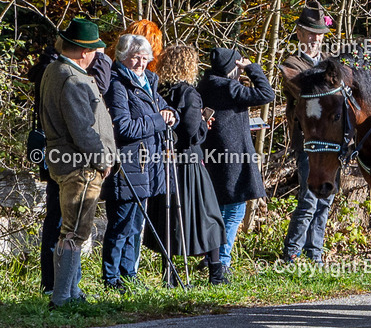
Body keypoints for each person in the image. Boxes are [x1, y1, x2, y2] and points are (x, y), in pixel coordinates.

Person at [38, 18, 117, 308]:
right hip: (80, 166)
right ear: (84, 51)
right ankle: (63, 298)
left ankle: (70, 293)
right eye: (94, 50)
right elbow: (82, 129)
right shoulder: (72, 78)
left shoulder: (54, 70)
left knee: (71, 230)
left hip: (67, 162)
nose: (96, 56)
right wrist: (103, 159)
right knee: (75, 231)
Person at [101, 34, 177, 291]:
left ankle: (129, 275)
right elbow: (123, 127)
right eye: (135, 57)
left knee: (135, 226)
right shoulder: (118, 84)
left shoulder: (148, 81)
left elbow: (167, 110)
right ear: (123, 57)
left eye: (145, 58)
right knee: (120, 225)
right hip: (127, 164)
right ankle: (112, 279)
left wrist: (171, 115)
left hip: (147, 164)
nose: (141, 63)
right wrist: (159, 119)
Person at [150, 44, 229, 285]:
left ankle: (170, 275)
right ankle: (216, 274)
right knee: (209, 216)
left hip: (164, 161)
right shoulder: (188, 93)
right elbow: (192, 133)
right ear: (188, 66)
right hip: (189, 163)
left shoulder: (158, 90)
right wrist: (204, 122)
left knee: (170, 217)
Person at [196, 48, 274, 272]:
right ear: (232, 68)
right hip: (233, 157)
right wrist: (252, 68)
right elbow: (267, 94)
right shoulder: (230, 87)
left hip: (213, 155)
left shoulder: (205, 85)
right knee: (235, 210)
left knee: (219, 209)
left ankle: (211, 256)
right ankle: (221, 260)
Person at [280, 1, 334, 265]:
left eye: (319, 34)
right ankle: (292, 253)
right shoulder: (291, 64)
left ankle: (315, 254)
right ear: (299, 34)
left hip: (332, 141)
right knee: (310, 198)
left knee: (326, 199)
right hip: (308, 141)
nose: (314, 39)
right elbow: (310, 94)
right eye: (310, 33)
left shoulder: (330, 61)